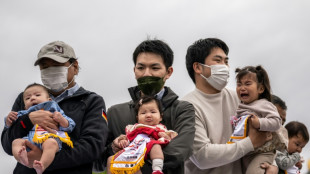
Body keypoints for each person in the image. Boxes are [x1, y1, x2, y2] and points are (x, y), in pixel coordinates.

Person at [1, 41, 108, 174]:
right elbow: (7, 144)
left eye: (57, 65)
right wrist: (27, 120)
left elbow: (92, 147)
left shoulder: (91, 101)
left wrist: (43, 159)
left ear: (74, 66)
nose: (50, 70)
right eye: (45, 67)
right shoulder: (26, 97)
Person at [183, 38, 277, 174]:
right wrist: (250, 143)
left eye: (226, 61)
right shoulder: (186, 107)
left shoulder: (240, 99)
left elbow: (267, 136)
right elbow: (202, 156)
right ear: (198, 67)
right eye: (218, 60)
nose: (225, 67)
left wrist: (272, 165)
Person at [106, 39, 195, 174]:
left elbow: (181, 149)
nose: (147, 74)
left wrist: (132, 160)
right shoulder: (115, 112)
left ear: (169, 72)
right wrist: (114, 147)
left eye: (155, 68)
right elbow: (100, 156)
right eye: (141, 67)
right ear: (134, 70)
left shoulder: (183, 109)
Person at [228, 65, 286, 174]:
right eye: (239, 84)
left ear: (260, 88)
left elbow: (276, 122)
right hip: (246, 152)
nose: (242, 88)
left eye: (248, 84)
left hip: (262, 152)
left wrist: (259, 122)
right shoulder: (240, 107)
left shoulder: (264, 104)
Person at [7, 83, 75, 174]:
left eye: (37, 95)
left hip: (49, 137)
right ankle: (22, 158)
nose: (32, 98)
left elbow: (70, 125)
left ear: (49, 99)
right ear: (24, 106)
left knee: (51, 144)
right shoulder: (24, 112)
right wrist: (8, 119)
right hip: (29, 139)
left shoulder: (54, 109)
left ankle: (42, 165)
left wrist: (61, 120)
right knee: (16, 142)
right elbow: (10, 127)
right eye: (27, 98)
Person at [107, 96, 178, 174]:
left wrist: (165, 137)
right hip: (135, 149)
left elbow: (172, 140)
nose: (148, 115)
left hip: (150, 147)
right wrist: (123, 141)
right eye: (143, 113)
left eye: (153, 112)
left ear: (161, 116)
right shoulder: (134, 127)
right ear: (137, 117)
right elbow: (128, 138)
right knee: (111, 159)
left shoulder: (161, 128)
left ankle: (157, 169)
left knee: (155, 145)